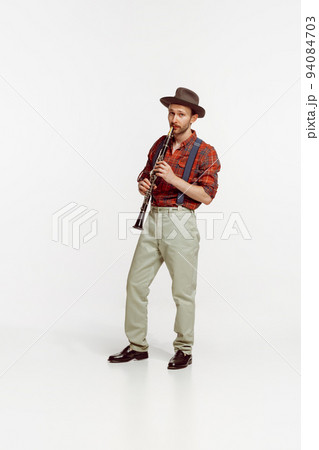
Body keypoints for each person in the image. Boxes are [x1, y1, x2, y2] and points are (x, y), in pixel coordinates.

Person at [108, 87, 221, 369]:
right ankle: (137, 346)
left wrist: (173, 178)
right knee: (135, 283)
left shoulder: (206, 152)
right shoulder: (160, 143)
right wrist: (143, 184)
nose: (174, 119)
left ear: (194, 118)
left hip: (180, 222)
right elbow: (145, 174)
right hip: (154, 219)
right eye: (171, 113)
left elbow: (206, 195)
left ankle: (184, 348)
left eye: (181, 114)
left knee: (182, 291)